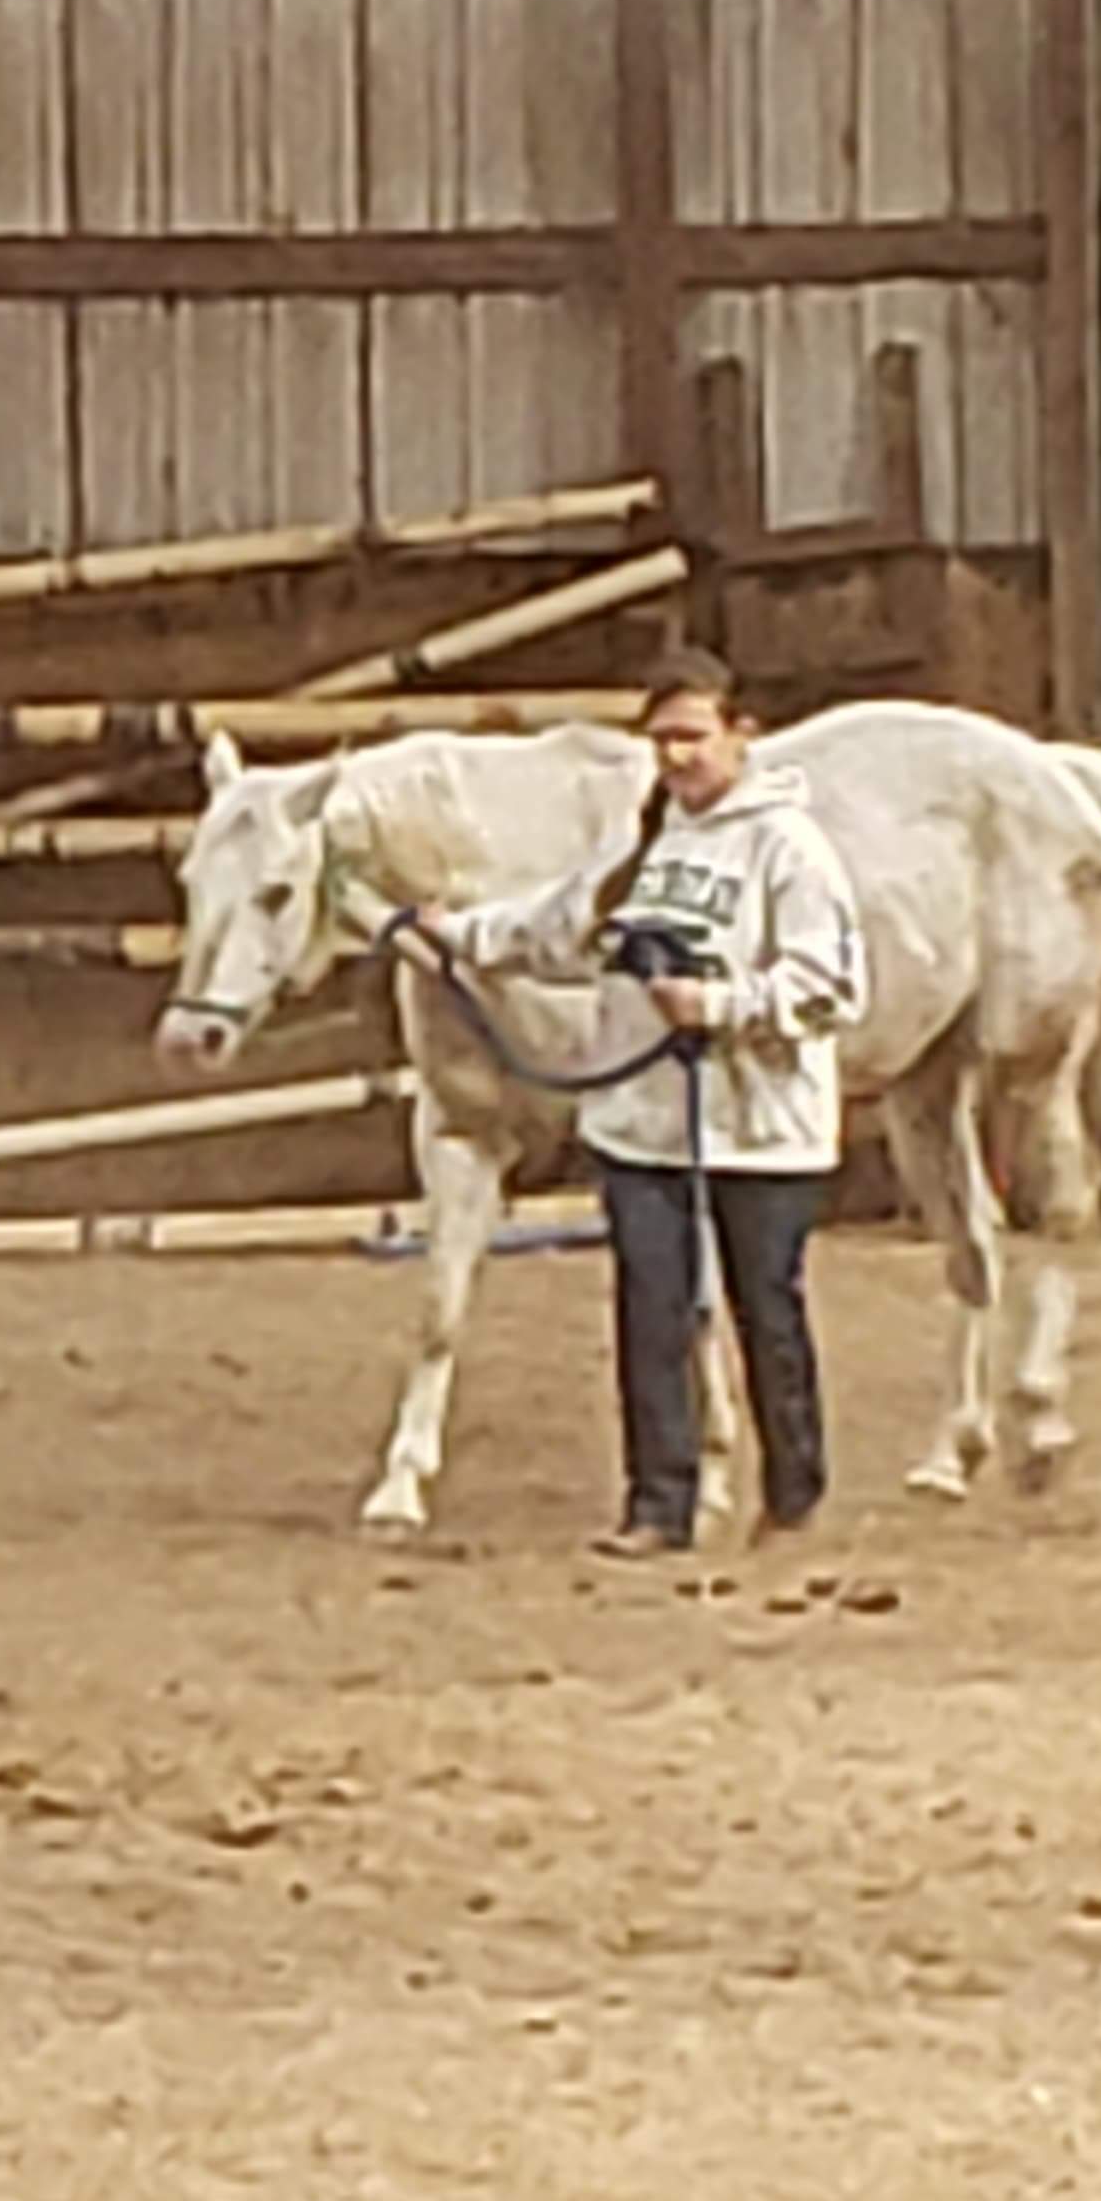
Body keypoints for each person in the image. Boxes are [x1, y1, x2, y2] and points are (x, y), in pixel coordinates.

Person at [401, 647, 867, 1562]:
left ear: (742, 735)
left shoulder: (790, 849)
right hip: (641, 1121)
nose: (678, 757)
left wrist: (722, 1007)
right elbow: (557, 925)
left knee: (763, 1311)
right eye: (662, 740)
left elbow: (834, 986)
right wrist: (455, 935)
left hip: (756, 1127)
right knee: (651, 1313)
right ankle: (659, 1503)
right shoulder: (645, 847)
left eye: (693, 736)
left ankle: (793, 1490)